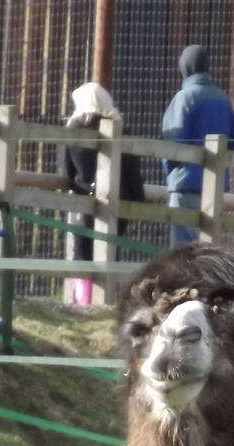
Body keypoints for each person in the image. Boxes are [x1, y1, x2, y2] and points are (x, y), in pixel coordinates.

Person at [60, 82, 146, 304]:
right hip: (117, 205)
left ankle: (84, 303)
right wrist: (138, 201)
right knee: (109, 253)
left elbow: (66, 171)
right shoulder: (119, 129)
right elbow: (132, 173)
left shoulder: (71, 131)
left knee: (82, 258)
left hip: (82, 203)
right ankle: (106, 301)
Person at [160, 45, 234, 244]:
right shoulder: (223, 100)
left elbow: (171, 146)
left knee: (183, 255)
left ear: (185, 67)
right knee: (207, 250)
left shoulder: (184, 98)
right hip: (215, 189)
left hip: (185, 186)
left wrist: (172, 175)